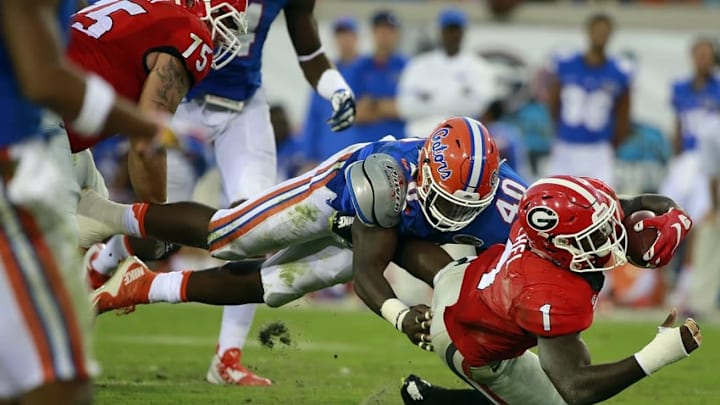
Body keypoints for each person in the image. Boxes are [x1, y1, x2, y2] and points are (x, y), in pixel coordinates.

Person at [88, 0, 358, 386]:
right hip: (179, 99)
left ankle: (227, 356)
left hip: (243, 108)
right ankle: (103, 262)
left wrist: (336, 87)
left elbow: (308, 44)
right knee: (156, 235)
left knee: (260, 231)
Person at [81, 116, 526, 347]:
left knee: (277, 285)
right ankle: (110, 214)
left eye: (462, 207)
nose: (450, 214)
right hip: (340, 194)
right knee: (232, 237)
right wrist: (402, 315)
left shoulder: (507, 205)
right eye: (446, 198)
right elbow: (369, 272)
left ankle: (142, 287)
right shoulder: (388, 176)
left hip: (395, 228)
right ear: (425, 169)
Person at [0, 0, 204, 403]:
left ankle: (113, 260)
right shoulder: (184, 27)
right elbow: (46, 79)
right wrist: (153, 129)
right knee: (59, 378)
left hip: (43, 139)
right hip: (20, 145)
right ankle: (118, 263)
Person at [399, 175, 700, 405]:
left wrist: (673, 214)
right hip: (464, 337)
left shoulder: (551, 222)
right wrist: (660, 353)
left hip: (466, 282)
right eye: (593, 236)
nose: (609, 237)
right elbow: (576, 388)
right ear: (560, 245)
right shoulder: (548, 292)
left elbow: (631, 204)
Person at [660, 37, 720, 309]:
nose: (702, 60)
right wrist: (676, 158)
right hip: (685, 160)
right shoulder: (681, 88)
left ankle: (687, 284)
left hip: (707, 162)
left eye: (707, 55)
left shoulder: (718, 89)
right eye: (699, 54)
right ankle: (661, 277)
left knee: (700, 219)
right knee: (663, 215)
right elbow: (678, 127)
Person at [547, 13, 632, 187]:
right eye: (597, 30)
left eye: (605, 32)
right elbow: (554, 103)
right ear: (588, 32)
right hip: (566, 145)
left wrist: (612, 144)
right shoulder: (566, 64)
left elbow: (623, 114)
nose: (600, 35)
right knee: (554, 195)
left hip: (598, 148)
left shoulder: (619, 72)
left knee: (603, 201)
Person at [397, 8, 499, 138]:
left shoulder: (478, 67)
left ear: (463, 32)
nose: (453, 35)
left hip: (462, 139)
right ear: (440, 31)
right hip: (420, 136)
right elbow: (405, 107)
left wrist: (431, 99)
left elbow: (479, 107)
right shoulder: (419, 65)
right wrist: (457, 98)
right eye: (449, 30)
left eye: (456, 30)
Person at [301, 16, 363, 165]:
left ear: (356, 37)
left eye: (348, 34)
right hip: (328, 156)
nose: (344, 40)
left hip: (360, 153)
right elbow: (313, 116)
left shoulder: (368, 69)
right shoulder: (326, 71)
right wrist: (308, 155)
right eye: (340, 35)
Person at [352, 10, 407, 139]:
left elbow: (406, 109)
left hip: (398, 143)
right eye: (381, 29)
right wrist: (388, 107)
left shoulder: (407, 66)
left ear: (397, 34)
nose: (384, 35)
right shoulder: (360, 67)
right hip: (366, 144)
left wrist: (373, 104)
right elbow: (354, 113)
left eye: (389, 30)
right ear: (373, 32)